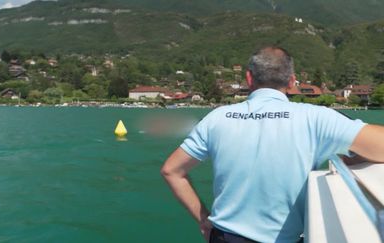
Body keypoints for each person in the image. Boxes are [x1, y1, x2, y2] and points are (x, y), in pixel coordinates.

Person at [160, 46, 384, 243]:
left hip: (224, 237)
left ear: (249, 78)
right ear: (292, 81)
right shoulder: (316, 118)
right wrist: (357, 156)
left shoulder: (217, 118)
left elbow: (171, 170)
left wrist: (203, 219)